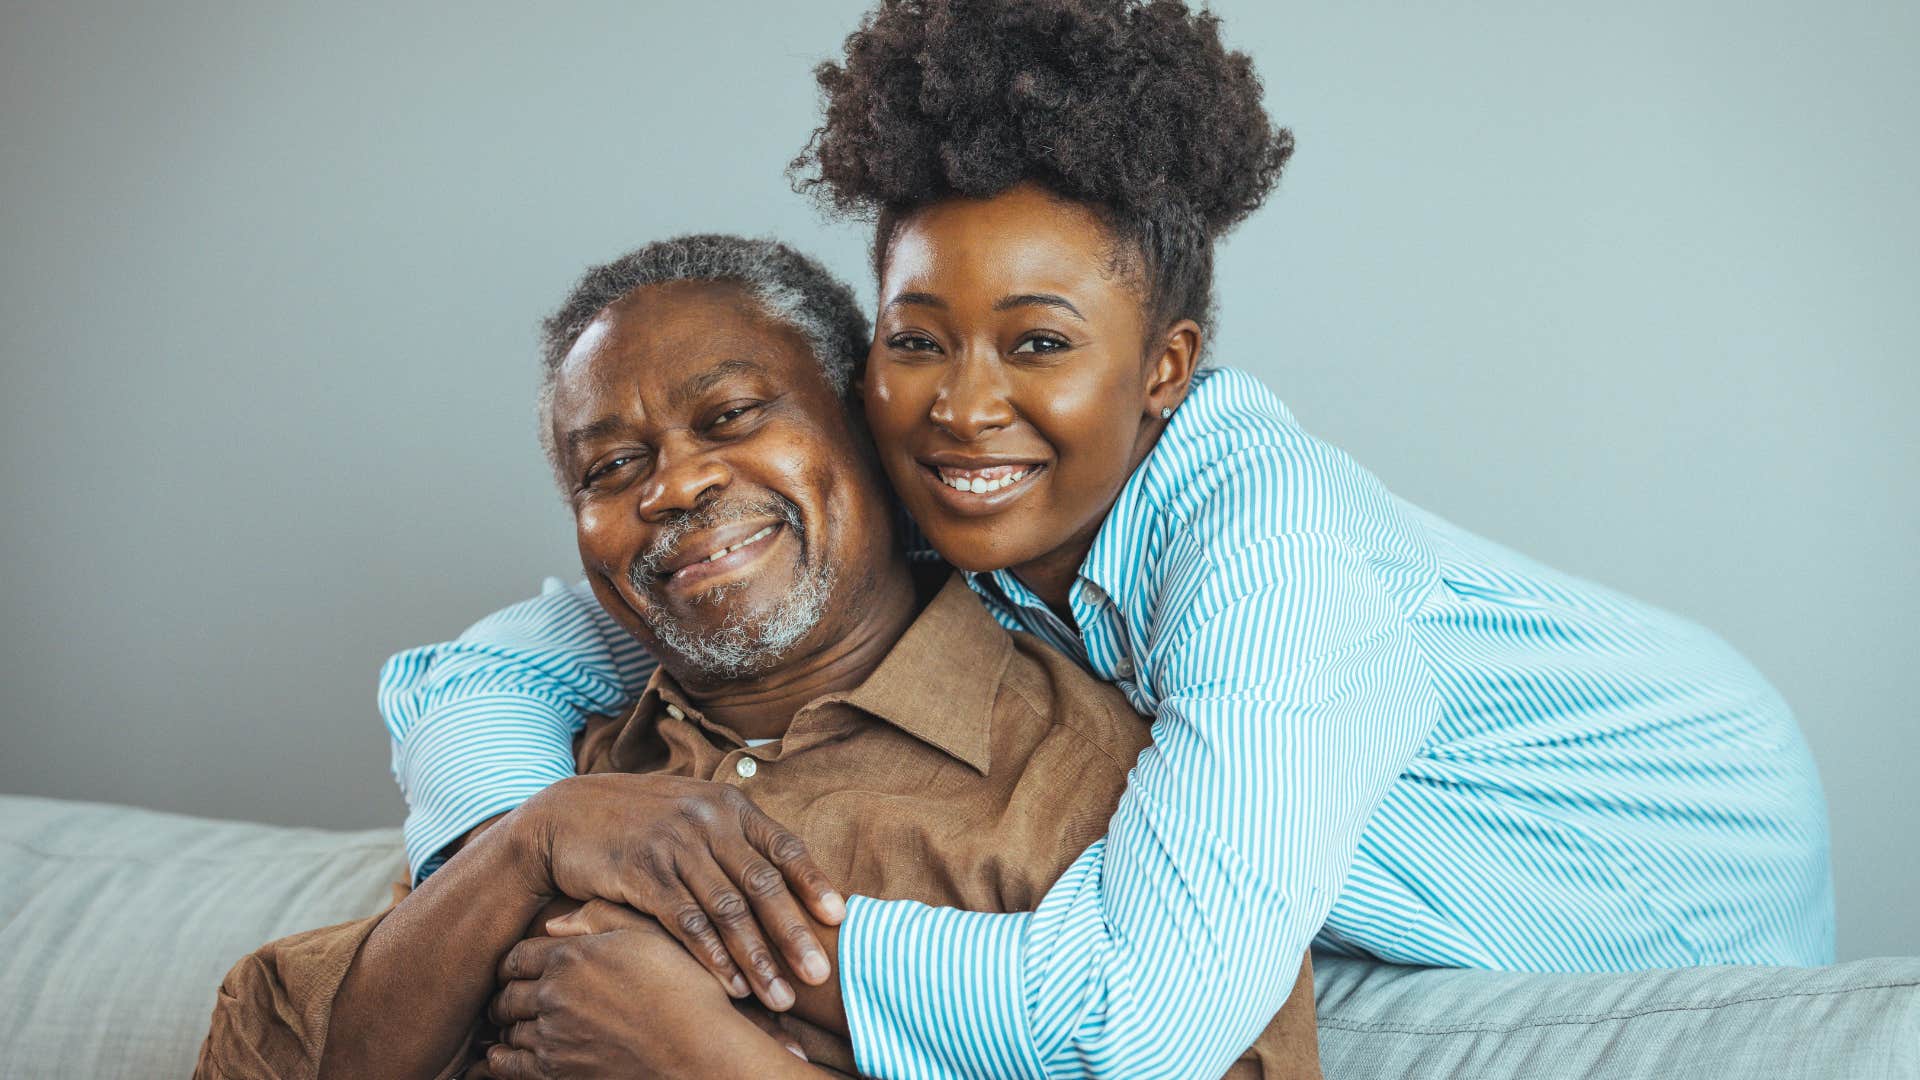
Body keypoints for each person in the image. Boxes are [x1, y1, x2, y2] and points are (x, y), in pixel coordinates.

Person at [380, 2, 1834, 1077]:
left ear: (1163, 371)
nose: (963, 407)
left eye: (1039, 342)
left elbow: (1134, 1020)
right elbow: (486, 669)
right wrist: (531, 848)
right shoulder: (905, 482)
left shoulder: (1266, 553)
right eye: (916, 340)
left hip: (1659, 859)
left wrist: (691, 959)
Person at [196, 234, 1319, 1079]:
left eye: (731, 417)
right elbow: (269, 1048)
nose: (671, 486)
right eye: (608, 468)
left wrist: (713, 1059)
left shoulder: (1114, 800)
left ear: (872, 432)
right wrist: (536, 842)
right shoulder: (557, 774)